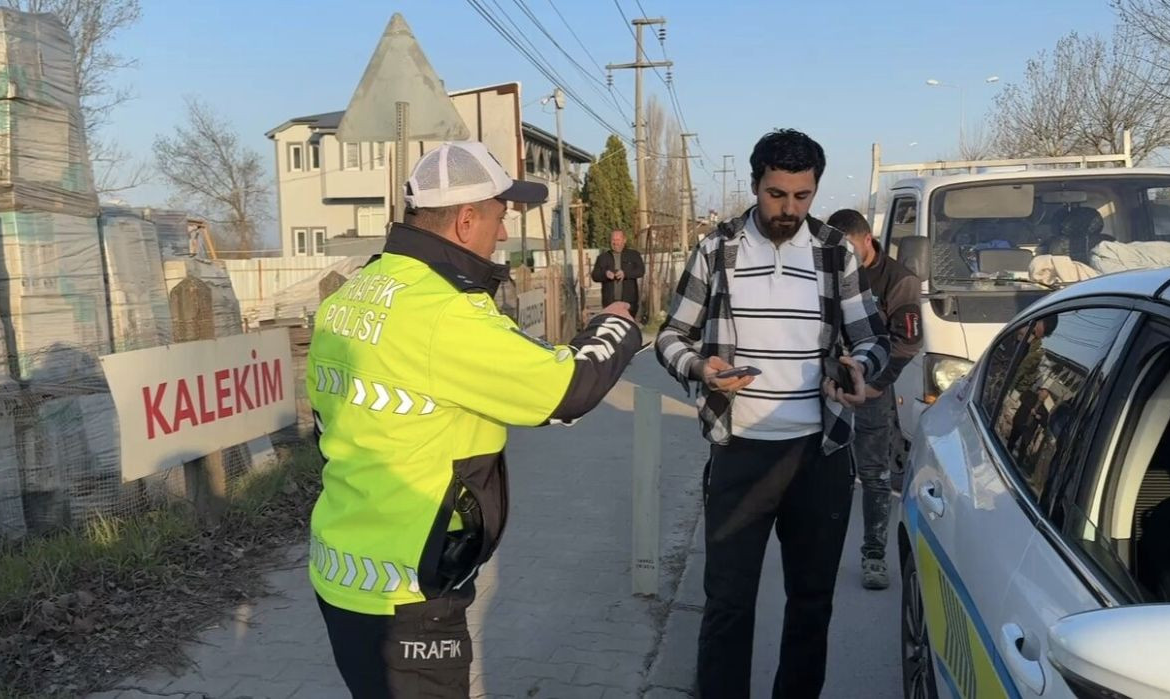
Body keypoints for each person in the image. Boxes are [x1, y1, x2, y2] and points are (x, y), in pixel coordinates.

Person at [306, 141, 642, 697]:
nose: (503, 234)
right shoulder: (445, 312)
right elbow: (566, 390)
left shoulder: (355, 292)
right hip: (409, 592)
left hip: (341, 571)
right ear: (466, 220)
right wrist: (616, 326)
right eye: (499, 217)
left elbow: (326, 421)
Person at [655, 129, 889, 699]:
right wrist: (701, 368)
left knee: (812, 602)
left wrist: (860, 368)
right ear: (755, 184)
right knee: (728, 603)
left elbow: (873, 337)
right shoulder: (717, 250)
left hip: (820, 454)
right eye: (776, 195)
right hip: (740, 454)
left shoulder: (835, 251)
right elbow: (669, 337)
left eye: (802, 196)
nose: (789, 209)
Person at [826, 209, 922, 591]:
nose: (842, 258)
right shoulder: (827, 270)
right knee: (826, 474)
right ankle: (821, 553)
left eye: (849, 249)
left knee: (874, 475)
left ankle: (874, 556)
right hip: (829, 385)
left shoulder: (898, 280)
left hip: (872, 389)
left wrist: (877, 383)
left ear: (867, 239)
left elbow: (908, 341)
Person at [591, 229, 645, 314]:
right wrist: (605, 274)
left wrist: (625, 274)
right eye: (613, 240)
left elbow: (641, 271)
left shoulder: (634, 255)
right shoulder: (603, 257)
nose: (615, 243)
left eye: (618, 240)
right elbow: (595, 276)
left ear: (624, 240)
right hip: (609, 302)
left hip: (629, 301)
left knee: (627, 326)